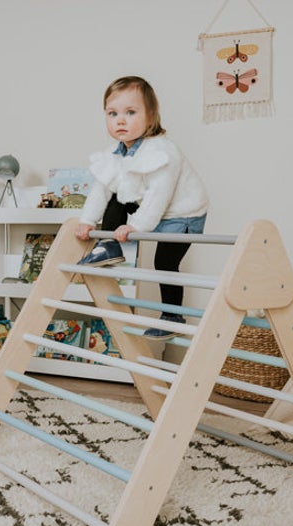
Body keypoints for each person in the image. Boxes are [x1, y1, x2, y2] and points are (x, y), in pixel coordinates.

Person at [75, 76, 208, 340]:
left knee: (165, 262)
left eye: (131, 112)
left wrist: (136, 226)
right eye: (112, 114)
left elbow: (159, 195)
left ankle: (172, 316)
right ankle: (109, 247)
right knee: (115, 194)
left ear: (151, 116)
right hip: (152, 209)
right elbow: (101, 188)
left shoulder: (162, 152)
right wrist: (87, 221)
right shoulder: (116, 152)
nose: (120, 120)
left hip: (184, 214)